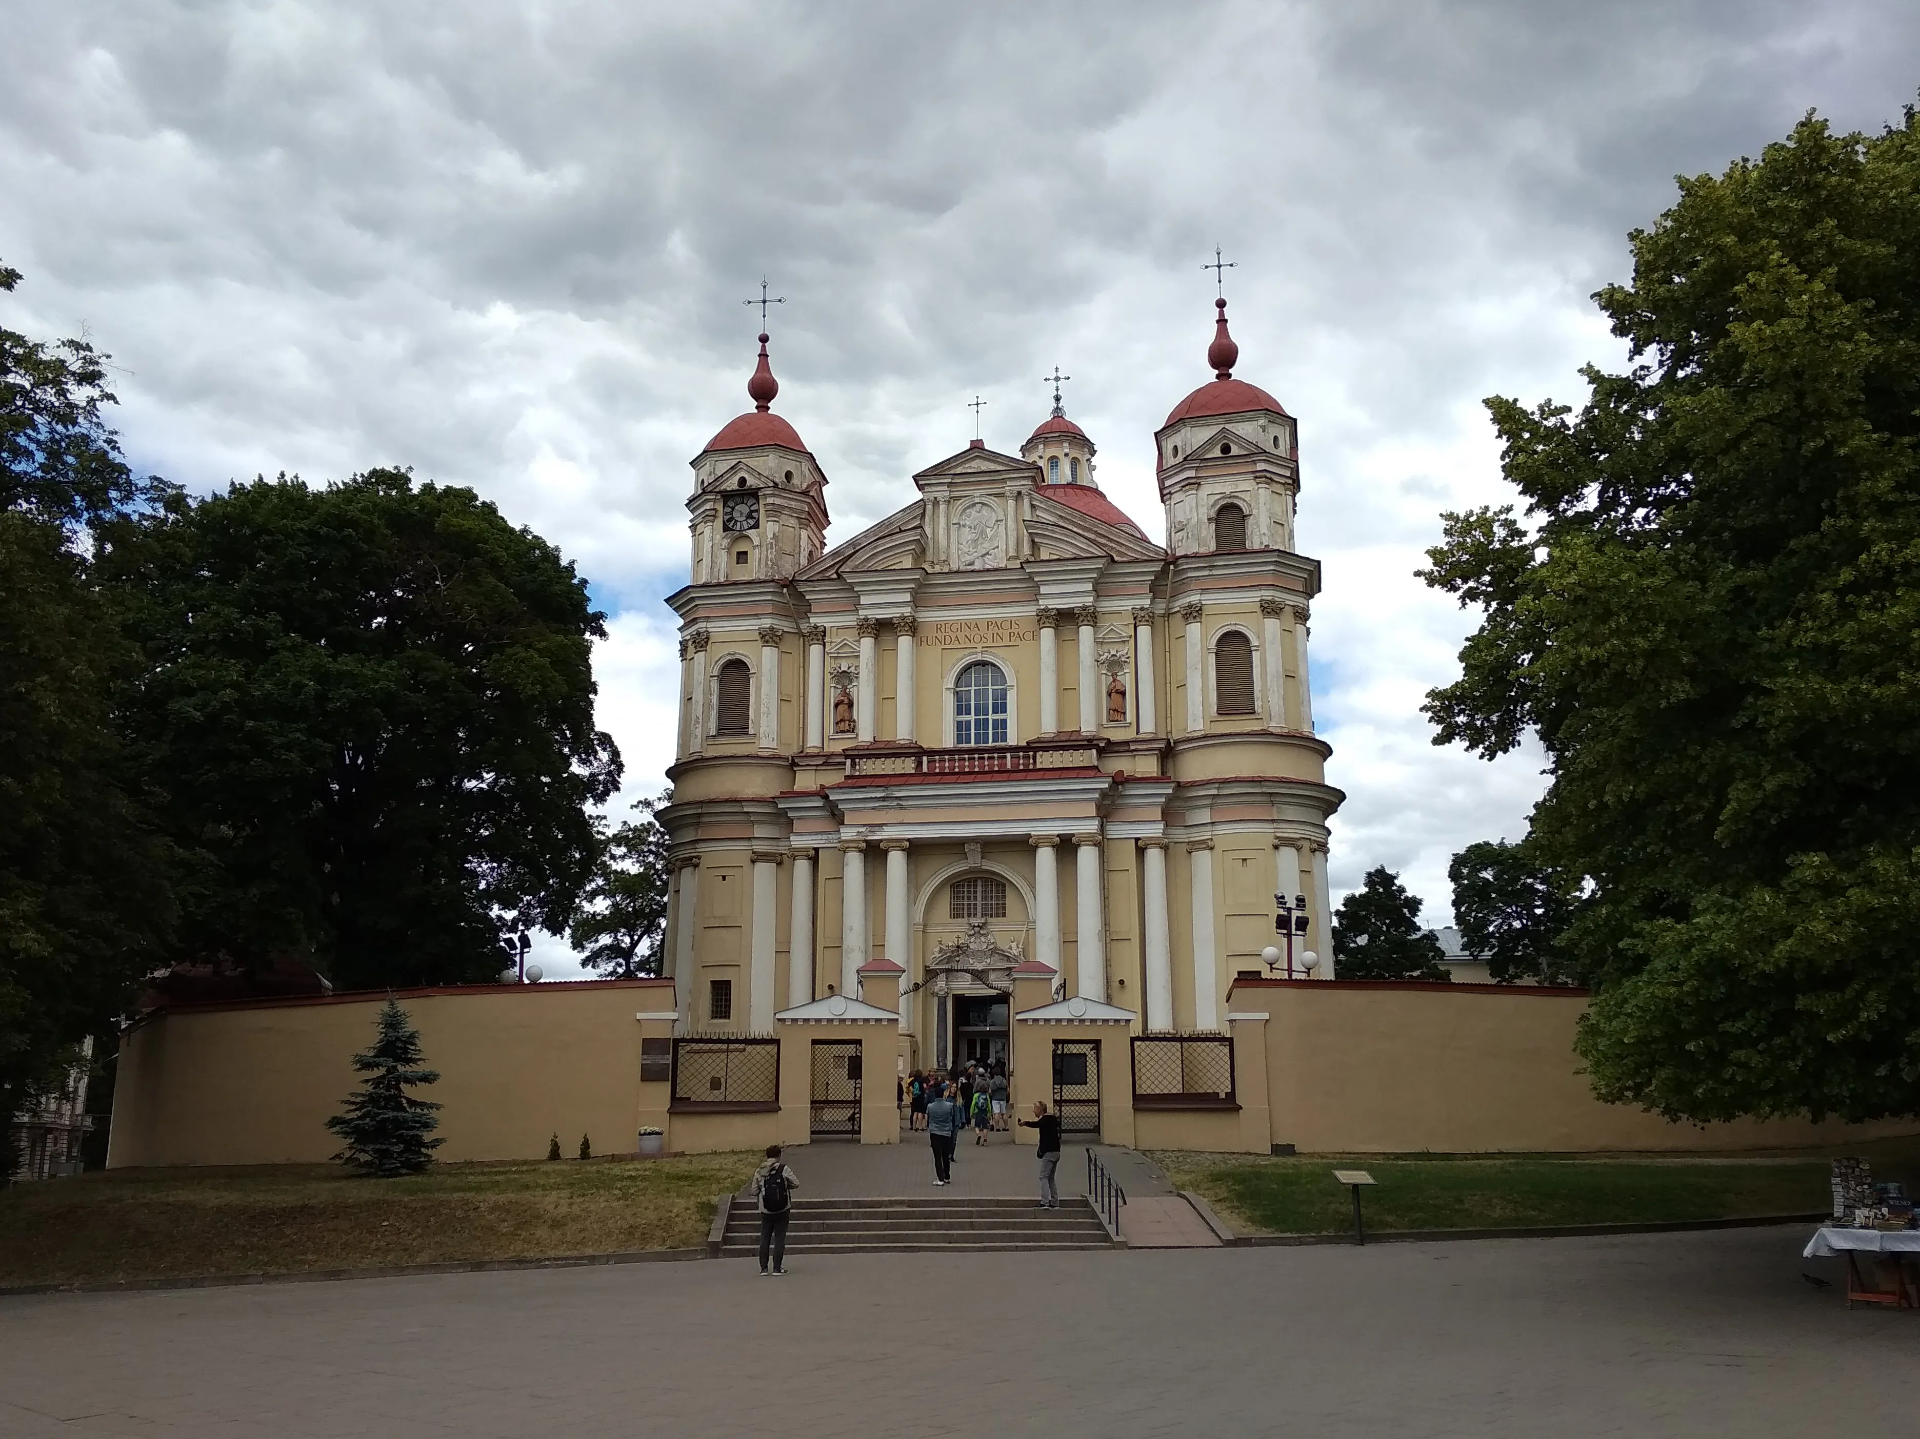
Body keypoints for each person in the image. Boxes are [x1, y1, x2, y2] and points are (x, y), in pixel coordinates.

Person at [751, 1144, 799, 1274]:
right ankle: (777, 1267)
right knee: (779, 1238)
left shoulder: (760, 1170)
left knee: (765, 1237)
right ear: (779, 1155)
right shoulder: (784, 1169)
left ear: (767, 1156)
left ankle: (764, 1268)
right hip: (783, 1209)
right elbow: (796, 1183)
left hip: (765, 1210)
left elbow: (754, 1191)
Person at [1018, 1099, 1062, 1208]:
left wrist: (1024, 1123)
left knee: (1043, 1177)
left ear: (1040, 1109)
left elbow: (1036, 1124)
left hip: (1049, 1151)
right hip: (1056, 1151)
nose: (1034, 1112)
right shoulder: (1052, 1119)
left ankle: (1045, 1202)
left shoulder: (1045, 1119)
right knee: (1050, 1177)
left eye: (1035, 1109)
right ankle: (1055, 1202)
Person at [926, 1083, 960, 1185]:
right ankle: (946, 1176)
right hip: (946, 1132)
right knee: (946, 1155)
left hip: (935, 1132)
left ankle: (940, 1178)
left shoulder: (930, 1106)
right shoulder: (949, 1106)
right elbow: (951, 1117)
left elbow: (928, 1119)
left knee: (937, 1156)